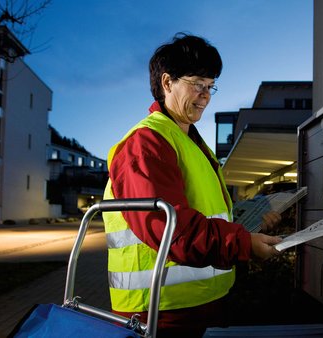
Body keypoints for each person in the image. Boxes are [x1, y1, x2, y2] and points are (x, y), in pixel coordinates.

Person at [102, 32, 283, 337]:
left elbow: (202, 213)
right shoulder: (145, 145)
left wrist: (246, 221)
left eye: (211, 87)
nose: (206, 96)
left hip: (190, 305)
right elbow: (170, 230)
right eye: (198, 85)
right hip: (157, 311)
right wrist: (242, 243)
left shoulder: (192, 144)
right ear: (167, 83)